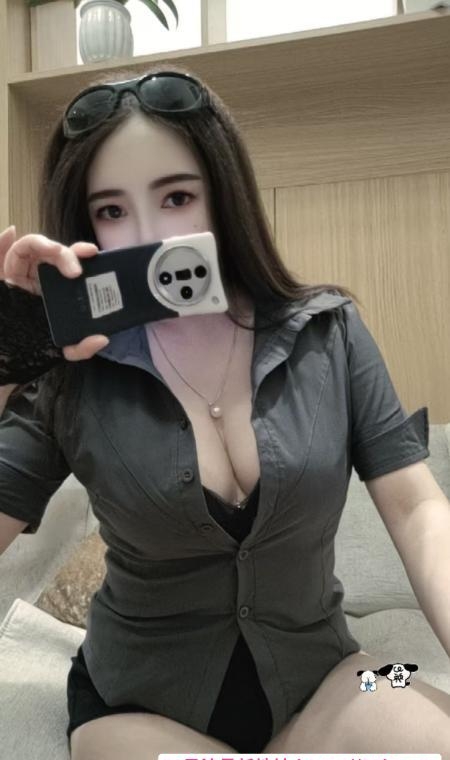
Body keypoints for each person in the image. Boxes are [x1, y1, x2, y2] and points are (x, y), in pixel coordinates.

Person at [0, 63, 449, 759]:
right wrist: (4, 364)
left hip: (332, 674)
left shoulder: (328, 331)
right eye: (112, 211)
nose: (148, 234)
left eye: (177, 196)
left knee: (427, 709)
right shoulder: (66, 374)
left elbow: (418, 508)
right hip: (131, 702)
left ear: (224, 195)